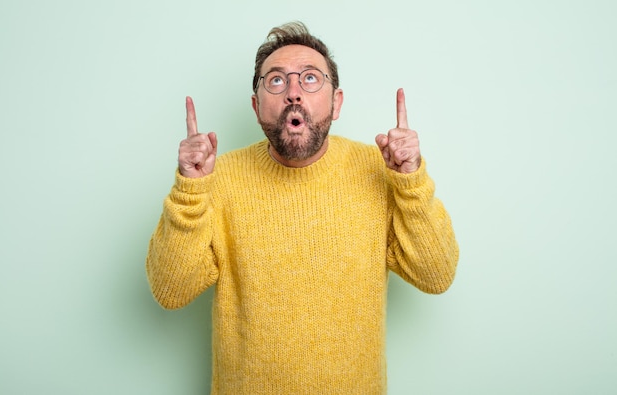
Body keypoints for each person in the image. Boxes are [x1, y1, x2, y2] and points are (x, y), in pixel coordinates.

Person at [146, 21, 459, 394]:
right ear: (256, 105)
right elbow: (171, 291)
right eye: (276, 81)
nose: (294, 92)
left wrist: (410, 181)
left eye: (310, 79)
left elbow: (436, 275)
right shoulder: (217, 179)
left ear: (336, 102)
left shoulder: (379, 171)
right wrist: (190, 191)